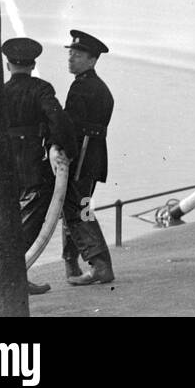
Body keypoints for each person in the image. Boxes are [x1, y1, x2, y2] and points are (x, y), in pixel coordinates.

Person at [2, 37, 74, 295]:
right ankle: (17, 277)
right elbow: (60, 121)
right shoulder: (42, 88)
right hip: (33, 161)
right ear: (33, 64)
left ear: (7, 64)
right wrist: (58, 147)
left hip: (3, 164)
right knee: (31, 221)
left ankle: (9, 277)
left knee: (8, 220)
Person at [62, 29, 116, 286]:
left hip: (82, 157)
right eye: (71, 53)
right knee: (77, 206)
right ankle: (72, 263)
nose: (71, 58)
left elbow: (70, 127)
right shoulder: (99, 87)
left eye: (78, 54)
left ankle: (99, 264)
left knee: (77, 208)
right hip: (93, 157)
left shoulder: (83, 87)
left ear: (93, 60)